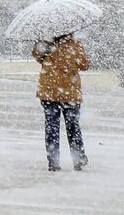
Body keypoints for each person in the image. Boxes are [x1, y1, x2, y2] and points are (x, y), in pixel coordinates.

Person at [33, 31, 91, 172]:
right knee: (73, 127)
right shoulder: (75, 45)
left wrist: (42, 43)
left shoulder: (46, 43)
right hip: (69, 92)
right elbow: (84, 65)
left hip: (49, 91)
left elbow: (36, 55)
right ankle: (79, 158)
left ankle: (53, 161)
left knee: (52, 127)